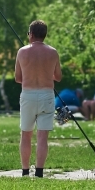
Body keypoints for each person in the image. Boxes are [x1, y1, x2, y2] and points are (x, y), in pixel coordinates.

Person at [15, 20, 62, 178]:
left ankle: (25, 171)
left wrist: (31, 76)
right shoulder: (53, 52)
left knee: (26, 134)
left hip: (28, 95)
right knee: (42, 136)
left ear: (31, 34)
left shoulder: (22, 52)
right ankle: (39, 172)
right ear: (45, 35)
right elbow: (58, 77)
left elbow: (18, 78)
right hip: (46, 95)